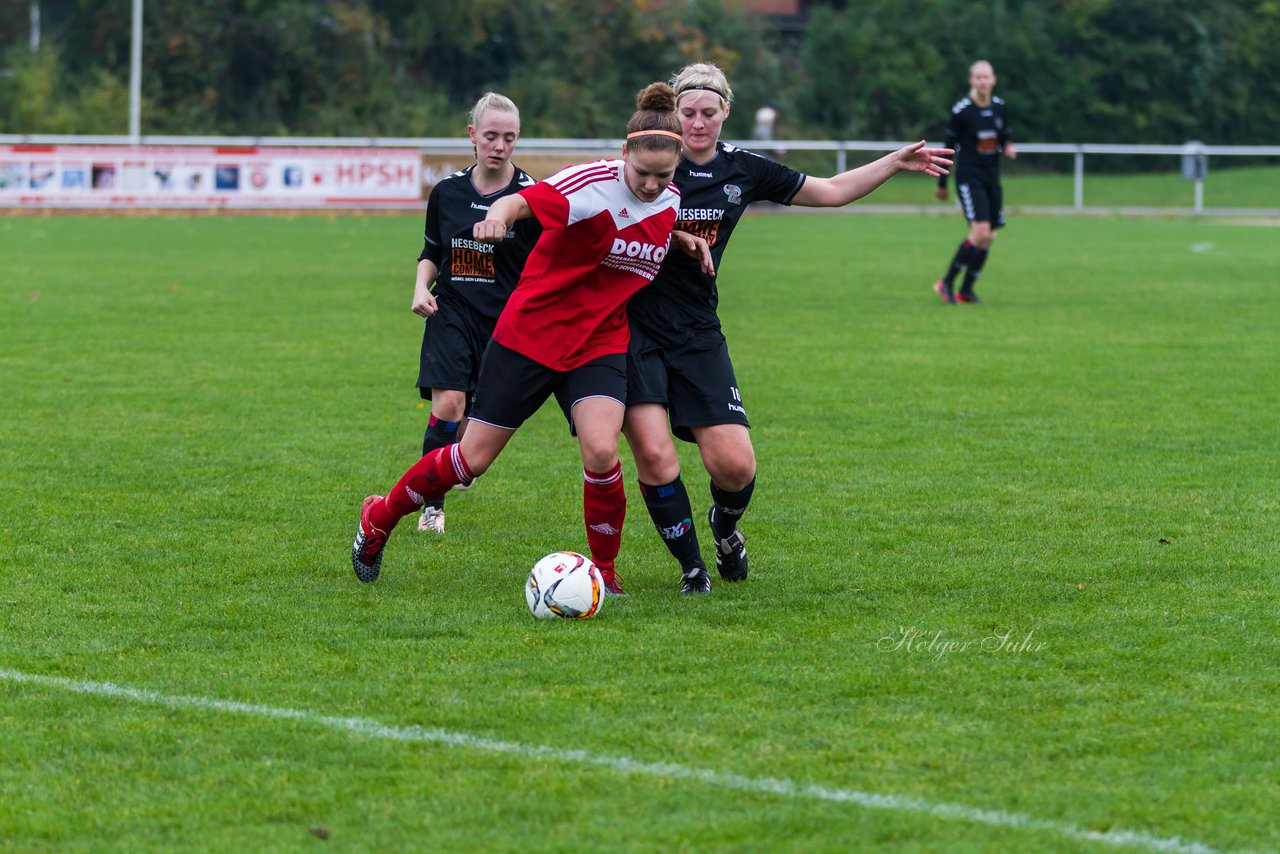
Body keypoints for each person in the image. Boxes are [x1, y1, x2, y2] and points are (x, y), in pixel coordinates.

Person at [351, 82, 715, 594]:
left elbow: (650, 218)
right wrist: (496, 216)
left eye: (664, 174)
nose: (653, 185)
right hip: (532, 334)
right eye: (642, 174)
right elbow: (521, 203)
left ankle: (604, 577)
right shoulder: (590, 183)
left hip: (598, 342)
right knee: (470, 459)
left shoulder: (669, 195)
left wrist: (681, 238)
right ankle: (379, 517)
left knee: (602, 452)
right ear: (624, 154)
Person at [623, 61, 952, 595]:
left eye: (709, 112)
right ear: (672, 112)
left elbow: (830, 191)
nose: (698, 123)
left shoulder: (745, 169)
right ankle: (692, 571)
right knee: (656, 455)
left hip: (696, 330)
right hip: (630, 330)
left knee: (732, 466)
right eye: (688, 113)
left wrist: (893, 161)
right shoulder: (644, 158)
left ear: (726, 112)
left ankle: (724, 528)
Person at [411, 93, 541, 534]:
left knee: (472, 428)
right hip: (452, 311)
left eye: (508, 137)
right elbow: (432, 251)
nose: (499, 145)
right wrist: (418, 288)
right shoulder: (447, 193)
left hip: (505, 324)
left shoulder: (531, 198)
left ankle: (452, 460)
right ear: (473, 136)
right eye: (490, 136)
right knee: (449, 404)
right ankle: (432, 506)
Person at [933, 59, 1016, 304]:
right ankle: (946, 283)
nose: (982, 81)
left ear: (993, 80)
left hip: (992, 177)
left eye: (986, 77)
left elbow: (1004, 138)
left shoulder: (1001, 108)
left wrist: (1009, 148)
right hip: (970, 177)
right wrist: (941, 184)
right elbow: (948, 148)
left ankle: (966, 289)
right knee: (979, 231)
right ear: (972, 81)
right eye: (978, 77)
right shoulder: (962, 111)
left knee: (989, 236)